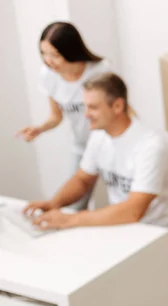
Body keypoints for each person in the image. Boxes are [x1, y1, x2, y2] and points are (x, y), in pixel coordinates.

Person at [23, 72, 168, 256]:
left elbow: (133, 211)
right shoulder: (99, 136)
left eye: (93, 107)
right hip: (124, 226)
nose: (86, 115)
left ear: (117, 106)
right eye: (85, 106)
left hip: (161, 232)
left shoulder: (151, 146)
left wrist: (70, 219)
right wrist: (54, 203)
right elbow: (82, 180)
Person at [17, 22, 112, 210]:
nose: (48, 61)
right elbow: (56, 116)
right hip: (81, 148)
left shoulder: (99, 71)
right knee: (72, 208)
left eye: (55, 55)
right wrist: (40, 129)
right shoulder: (48, 76)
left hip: (108, 144)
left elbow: (117, 110)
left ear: (71, 51)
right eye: (43, 54)